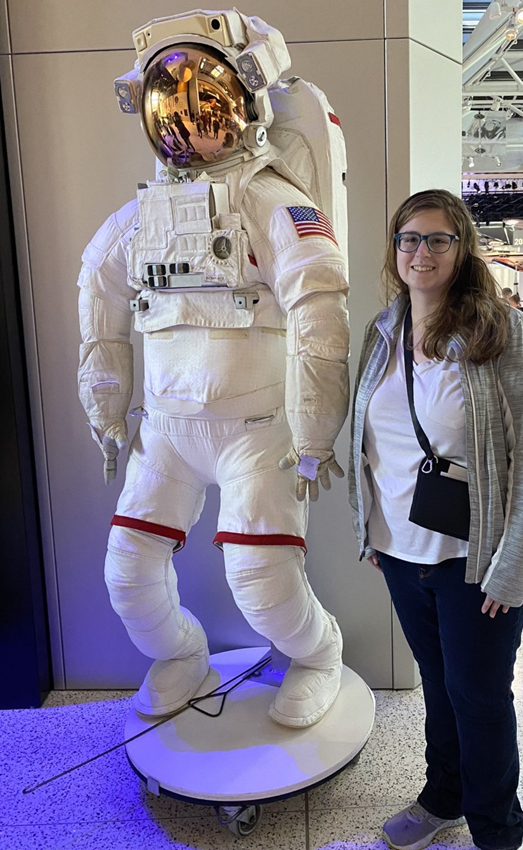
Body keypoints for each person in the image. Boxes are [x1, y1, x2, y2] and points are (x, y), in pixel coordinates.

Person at [77, 9, 350, 727]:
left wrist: (317, 434)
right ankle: (181, 656)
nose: (188, 122)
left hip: (257, 428)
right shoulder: (138, 219)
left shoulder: (274, 201)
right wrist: (106, 412)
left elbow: (321, 312)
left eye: (207, 101)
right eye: (171, 102)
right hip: (165, 427)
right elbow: (98, 306)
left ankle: (319, 655)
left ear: (247, 104)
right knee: (128, 574)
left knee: (260, 580)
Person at [349, 189, 523, 850]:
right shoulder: (382, 332)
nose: (422, 252)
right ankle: (445, 797)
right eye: (410, 238)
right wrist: (371, 529)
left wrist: (514, 566)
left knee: (480, 698)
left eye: (439, 239)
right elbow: (371, 438)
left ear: (461, 249)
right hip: (401, 551)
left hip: (480, 559)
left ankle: (498, 833)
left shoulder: (501, 330)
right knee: (438, 686)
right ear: (395, 248)